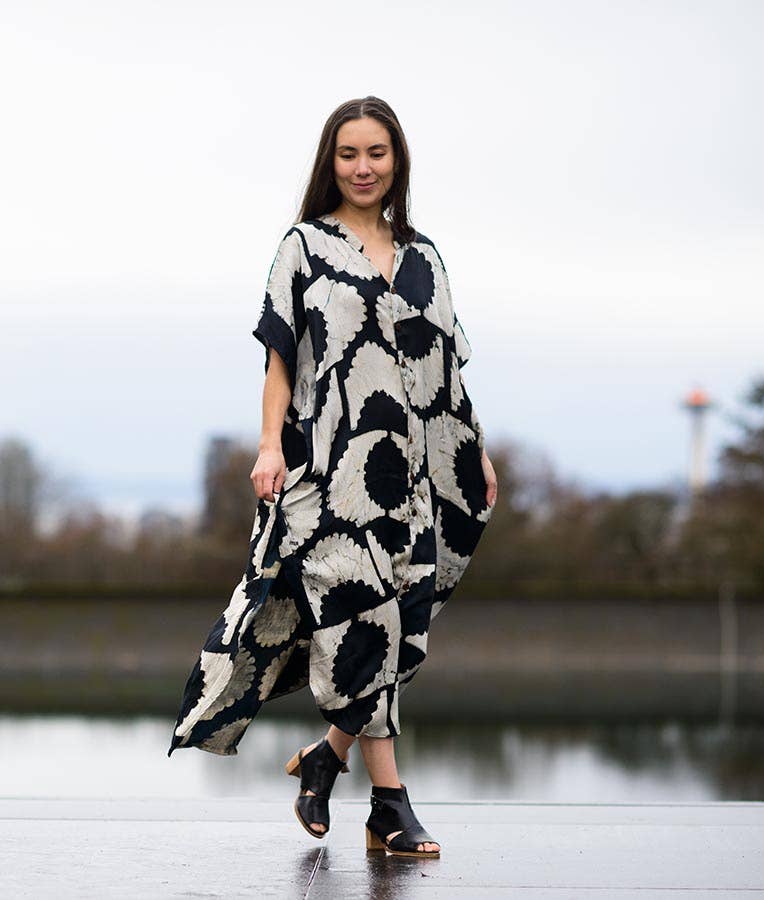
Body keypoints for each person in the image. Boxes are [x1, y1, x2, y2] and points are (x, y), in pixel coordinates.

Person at [167, 96, 497, 858]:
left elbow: (445, 367)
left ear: (396, 160)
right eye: (349, 154)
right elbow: (278, 359)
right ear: (331, 162)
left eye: (377, 153)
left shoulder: (425, 257)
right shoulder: (304, 248)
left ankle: (327, 759)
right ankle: (390, 804)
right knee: (364, 622)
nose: (363, 168)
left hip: (416, 482)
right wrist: (268, 445)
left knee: (400, 630)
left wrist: (473, 448)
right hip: (336, 476)